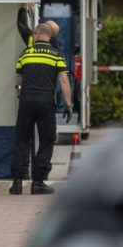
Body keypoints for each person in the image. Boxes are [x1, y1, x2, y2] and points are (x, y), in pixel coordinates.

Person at [10, 24, 72, 195]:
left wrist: (21, 92)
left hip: (26, 100)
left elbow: (17, 81)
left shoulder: (25, 54)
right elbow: (64, 81)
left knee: (22, 139)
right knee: (46, 140)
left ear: (37, 35)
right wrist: (68, 104)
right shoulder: (56, 54)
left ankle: (17, 182)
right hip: (46, 101)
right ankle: (38, 182)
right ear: (49, 36)